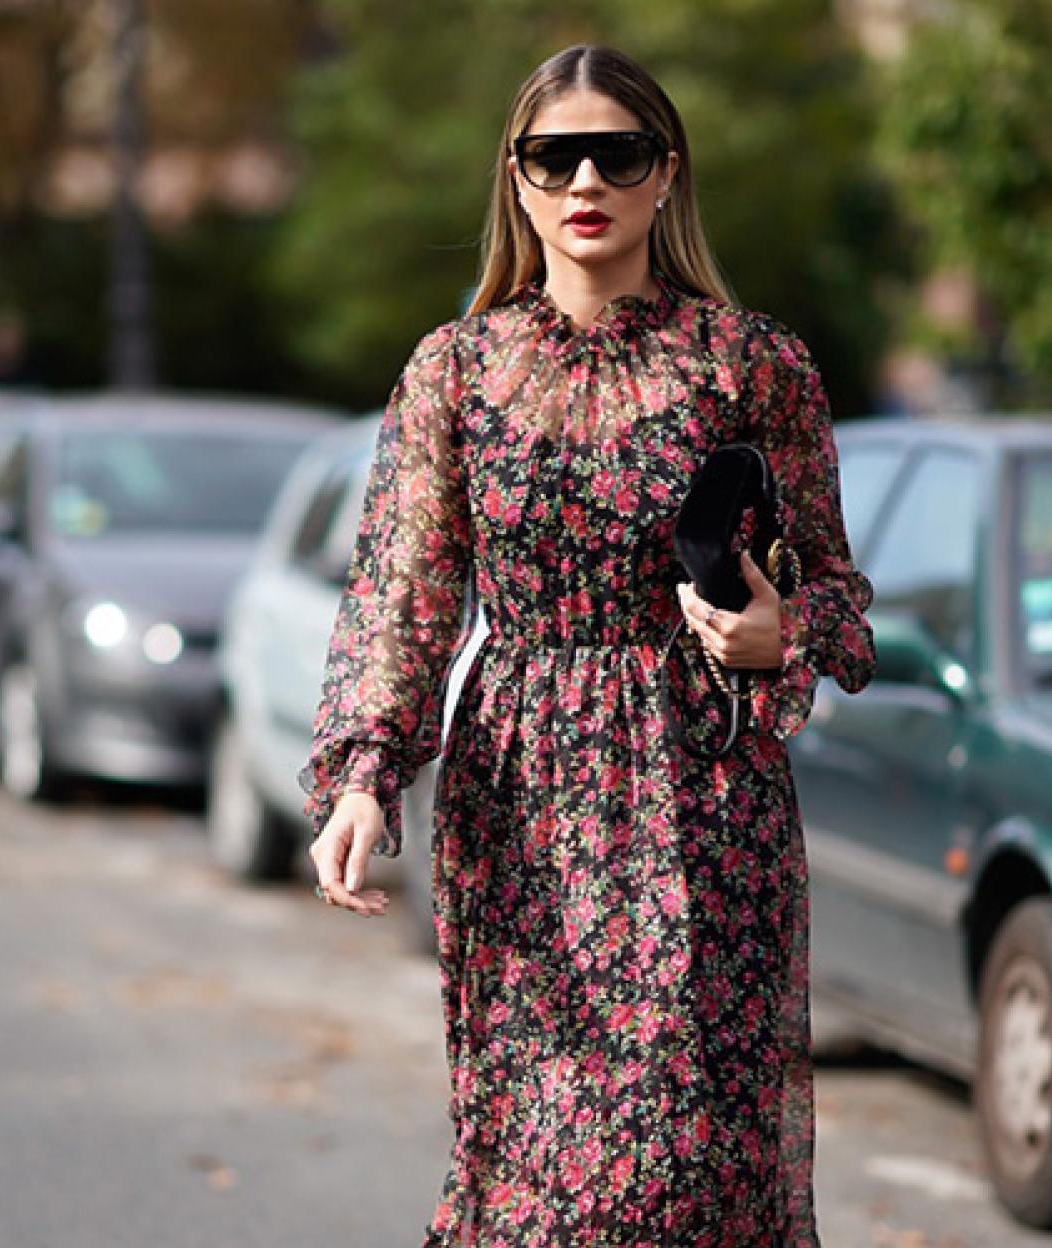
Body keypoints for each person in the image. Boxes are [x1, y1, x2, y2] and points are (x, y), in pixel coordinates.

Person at [298, 43, 875, 1248]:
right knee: (534, 1165)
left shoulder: (752, 364)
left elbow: (838, 592)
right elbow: (403, 595)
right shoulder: (454, 373)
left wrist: (784, 633)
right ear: (516, 180)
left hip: (701, 799)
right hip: (516, 804)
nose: (586, 181)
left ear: (667, 174)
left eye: (618, 152)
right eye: (554, 156)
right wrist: (362, 776)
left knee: (681, 1167)